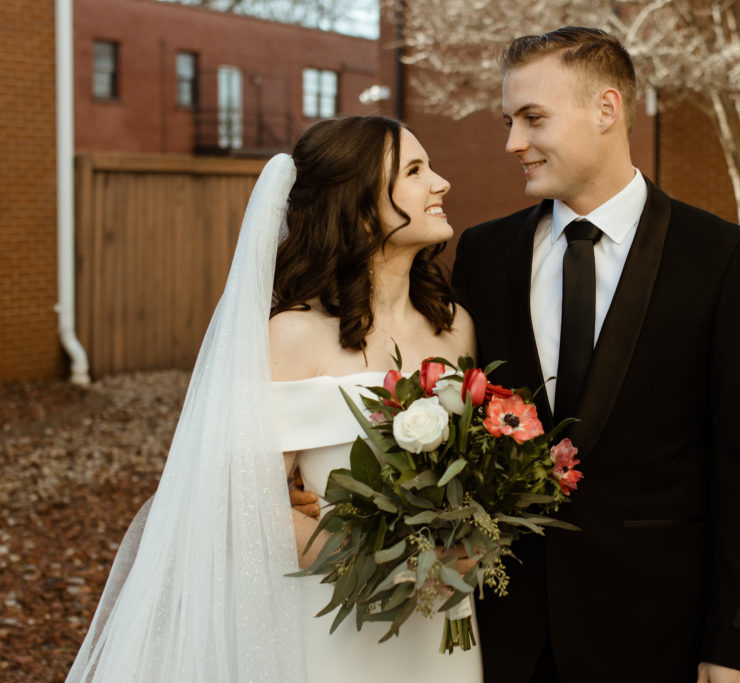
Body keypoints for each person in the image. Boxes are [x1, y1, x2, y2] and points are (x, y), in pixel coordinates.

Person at [66, 116, 481, 683]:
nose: (441, 183)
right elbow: (241, 510)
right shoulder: (290, 336)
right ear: (359, 209)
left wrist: (475, 532)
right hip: (338, 625)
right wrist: (407, 562)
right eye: (415, 171)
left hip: (442, 620)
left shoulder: (456, 328)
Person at [450, 28, 740, 683]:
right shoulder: (483, 255)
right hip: (503, 639)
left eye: (532, 118)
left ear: (606, 110)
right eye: (508, 121)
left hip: (656, 636)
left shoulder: (719, 258)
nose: (512, 143)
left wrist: (738, 644)